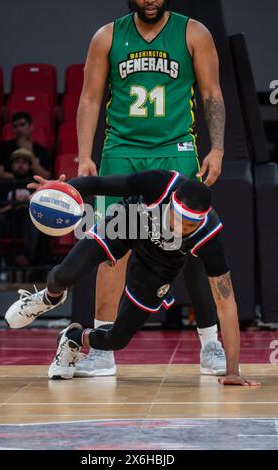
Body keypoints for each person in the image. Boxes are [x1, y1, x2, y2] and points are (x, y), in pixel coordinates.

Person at [75, 0, 226, 376]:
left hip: (176, 150)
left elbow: (211, 95)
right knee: (112, 248)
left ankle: (210, 344)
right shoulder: (106, 36)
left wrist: (218, 148)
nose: (151, 0)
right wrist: (83, 155)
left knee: (191, 246)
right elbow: (91, 97)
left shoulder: (194, 33)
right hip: (121, 151)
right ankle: (102, 349)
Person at [5, 170, 259, 387]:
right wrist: (60, 188)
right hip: (127, 224)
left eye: (190, 225)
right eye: (179, 218)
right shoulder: (159, 184)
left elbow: (226, 305)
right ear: (172, 202)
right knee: (65, 274)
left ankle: (72, 338)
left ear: (202, 220)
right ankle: (49, 297)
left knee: (117, 339)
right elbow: (98, 184)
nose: (181, 228)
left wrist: (233, 372)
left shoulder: (209, 236)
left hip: (160, 262)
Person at [0, 149, 39, 267]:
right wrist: (12, 207)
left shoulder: (35, 185)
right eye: (17, 162)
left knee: (34, 218)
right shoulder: (0, 184)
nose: (20, 165)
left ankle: (25, 257)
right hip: (6, 224)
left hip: (25, 223)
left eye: (24, 162)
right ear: (11, 165)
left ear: (30, 166)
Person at [0, 112, 51, 180]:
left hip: (33, 187)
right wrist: (20, 178)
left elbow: (46, 177)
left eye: (22, 125)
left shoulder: (41, 150)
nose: (19, 129)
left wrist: (30, 153)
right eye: (15, 126)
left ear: (31, 127)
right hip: (9, 187)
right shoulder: (3, 148)